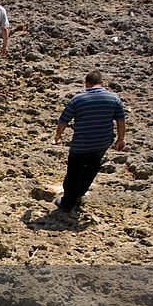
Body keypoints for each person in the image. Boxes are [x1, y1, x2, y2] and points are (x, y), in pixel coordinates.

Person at [52, 70, 126, 214]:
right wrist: (121, 139)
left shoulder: (78, 99)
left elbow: (64, 119)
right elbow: (121, 120)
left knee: (73, 172)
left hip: (81, 143)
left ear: (87, 83)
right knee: (91, 168)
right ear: (102, 83)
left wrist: (58, 135)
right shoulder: (114, 98)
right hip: (102, 142)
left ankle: (67, 203)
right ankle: (79, 193)